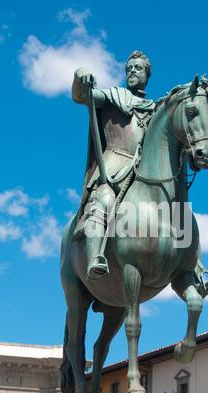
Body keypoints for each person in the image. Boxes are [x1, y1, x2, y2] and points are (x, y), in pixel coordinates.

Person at [72, 50, 155, 279]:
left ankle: (192, 265)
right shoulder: (113, 96)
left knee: (174, 205)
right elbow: (82, 96)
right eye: (129, 68)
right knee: (104, 198)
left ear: (147, 75)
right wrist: (81, 75)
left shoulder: (155, 109)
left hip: (144, 170)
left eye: (137, 68)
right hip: (115, 164)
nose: (132, 72)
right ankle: (93, 259)